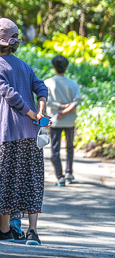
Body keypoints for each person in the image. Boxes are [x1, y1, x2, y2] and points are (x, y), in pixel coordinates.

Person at [0, 17, 50, 245]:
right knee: (31, 180)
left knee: (3, 181)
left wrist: (31, 113)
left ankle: (5, 230)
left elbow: (10, 96)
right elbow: (41, 87)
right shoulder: (23, 65)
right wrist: (40, 112)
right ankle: (32, 232)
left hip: (8, 133)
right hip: (32, 133)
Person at [45, 55, 81, 187]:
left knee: (55, 149)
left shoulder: (48, 82)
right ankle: (69, 173)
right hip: (70, 121)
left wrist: (59, 108)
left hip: (55, 121)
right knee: (70, 147)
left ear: (53, 66)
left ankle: (59, 177)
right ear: (66, 67)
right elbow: (77, 100)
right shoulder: (73, 83)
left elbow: (47, 101)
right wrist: (66, 111)